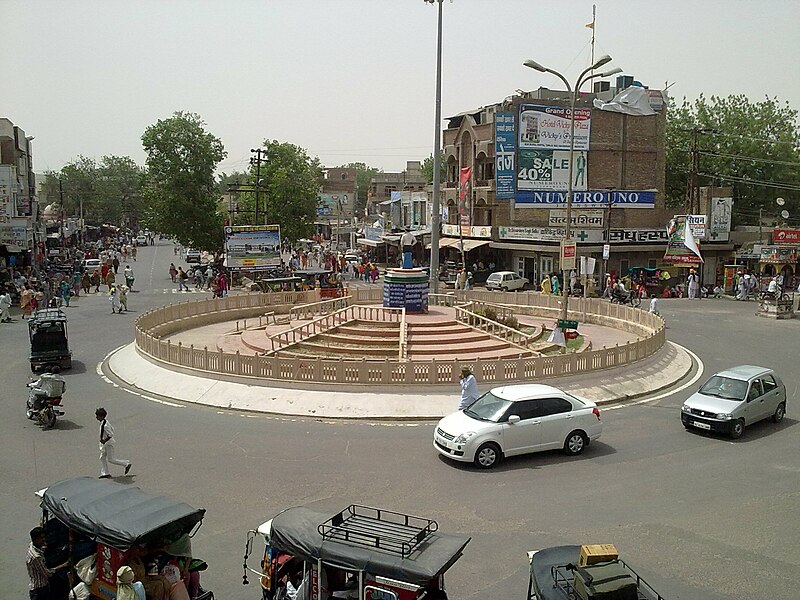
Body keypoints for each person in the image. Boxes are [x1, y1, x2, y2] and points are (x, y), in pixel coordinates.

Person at [27, 526, 69, 600]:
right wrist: (63, 565)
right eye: (41, 538)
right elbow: (47, 574)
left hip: (39, 588)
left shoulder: (32, 546)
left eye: (44, 537)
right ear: (35, 539)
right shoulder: (36, 557)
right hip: (39, 590)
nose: (44, 540)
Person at [96, 407, 132, 478]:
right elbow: (112, 428)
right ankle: (105, 473)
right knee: (102, 458)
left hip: (108, 444)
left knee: (111, 459)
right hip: (105, 444)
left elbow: (111, 434)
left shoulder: (105, 425)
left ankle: (126, 464)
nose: (96, 417)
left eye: (98, 416)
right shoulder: (105, 422)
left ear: (102, 416)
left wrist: (104, 440)